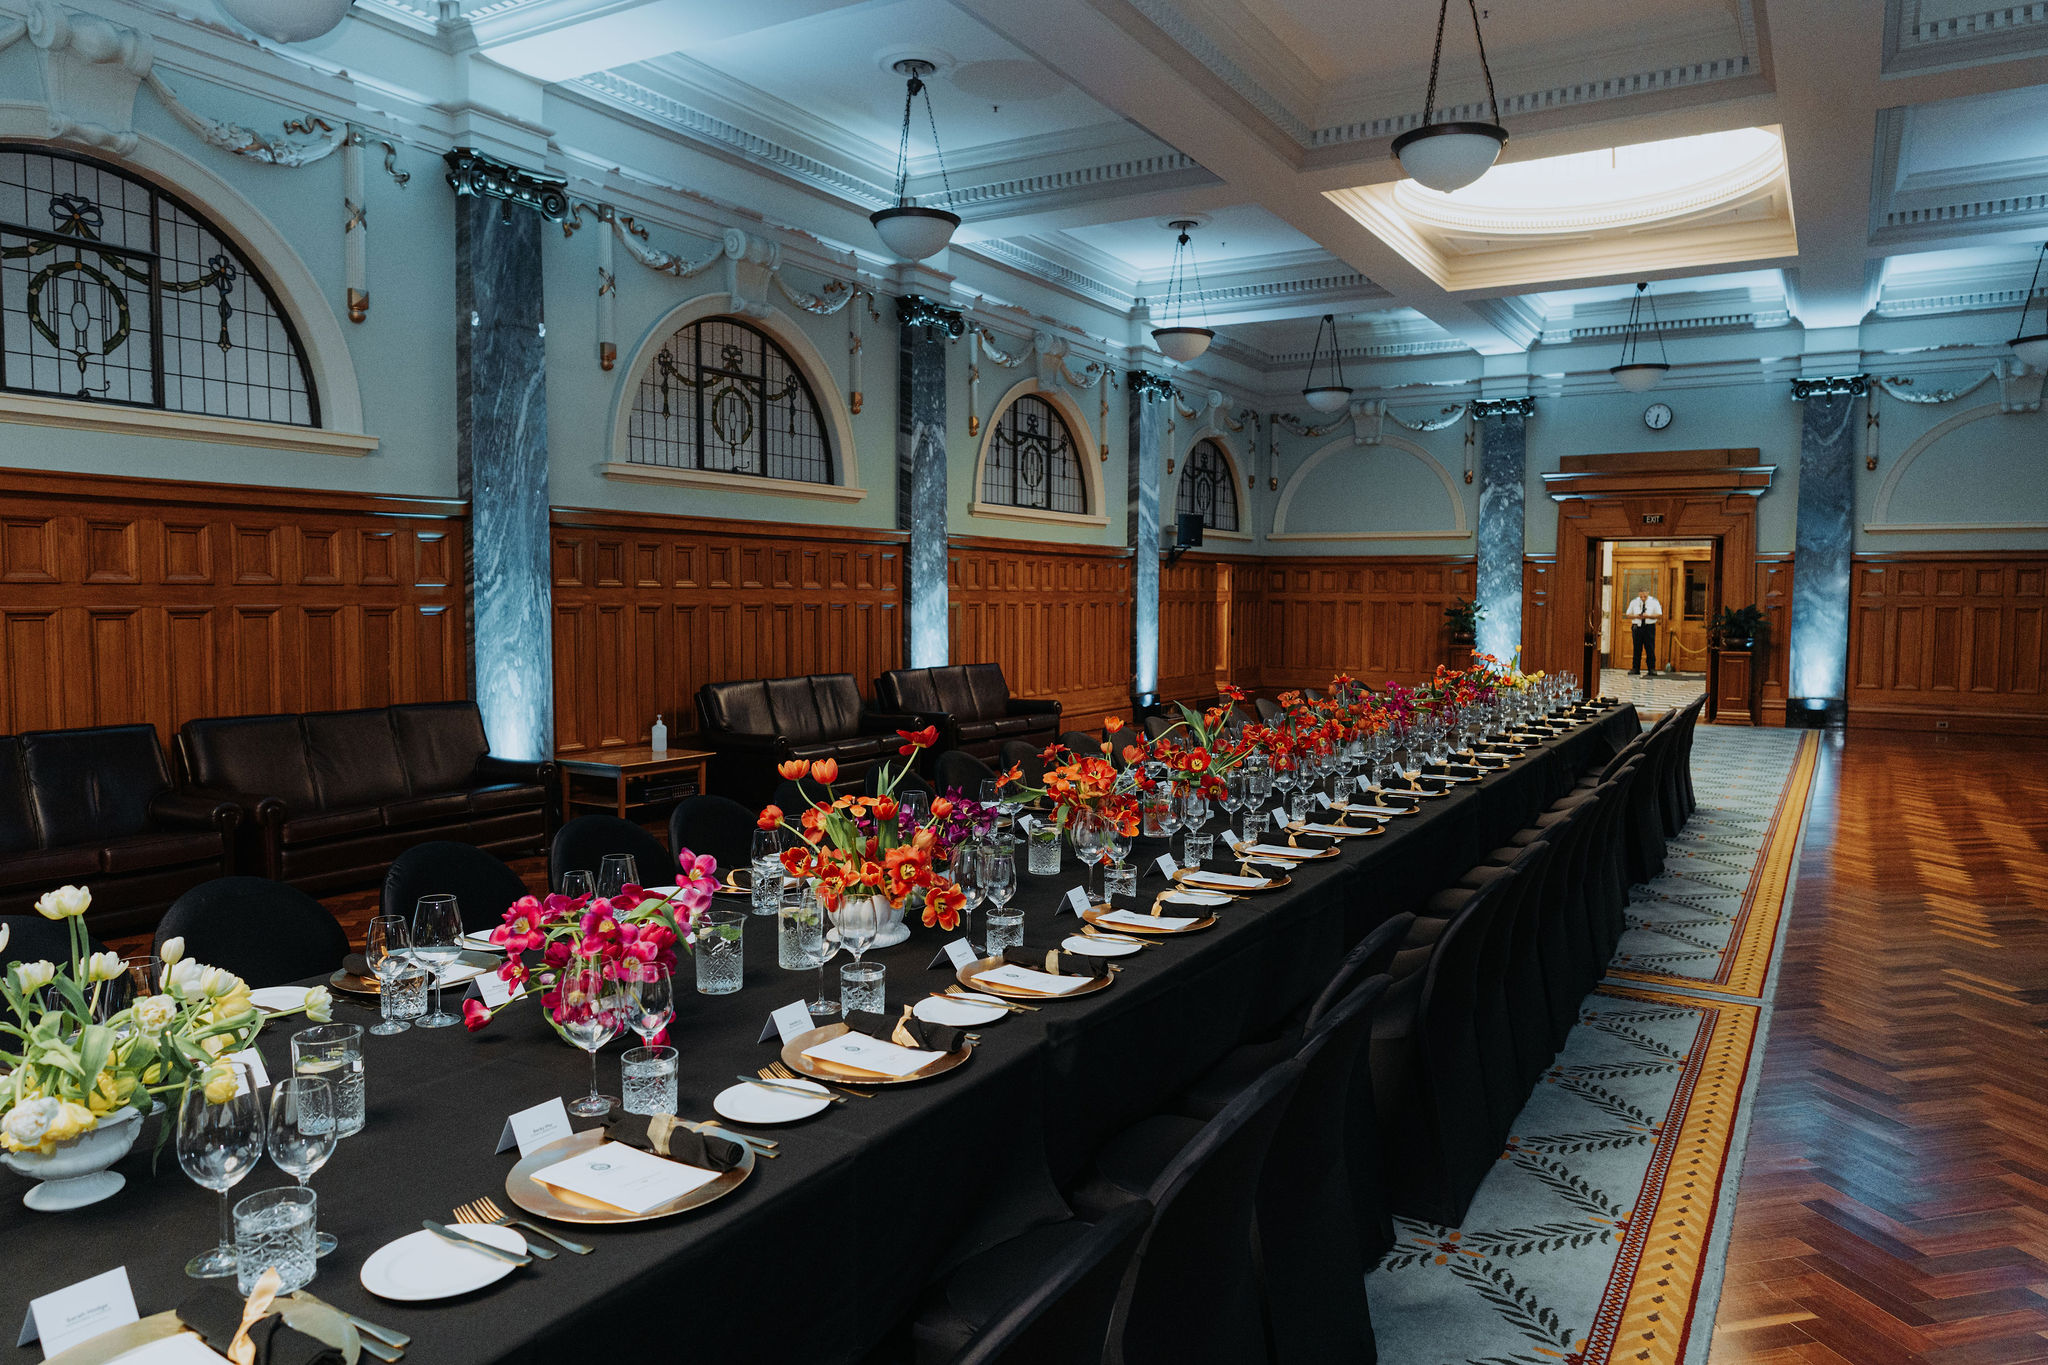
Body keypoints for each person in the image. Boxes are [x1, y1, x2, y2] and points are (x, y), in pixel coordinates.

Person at [1625, 587, 1664, 675]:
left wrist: (1648, 616)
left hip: (1649, 627)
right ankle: (1635, 668)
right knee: (1637, 648)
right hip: (1637, 627)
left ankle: (1651, 669)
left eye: (1645, 596)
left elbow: (1659, 614)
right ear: (1639, 594)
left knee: (1650, 648)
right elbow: (1628, 614)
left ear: (1648, 593)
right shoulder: (1634, 601)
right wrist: (1636, 616)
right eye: (1641, 596)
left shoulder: (1654, 601)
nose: (1643, 598)